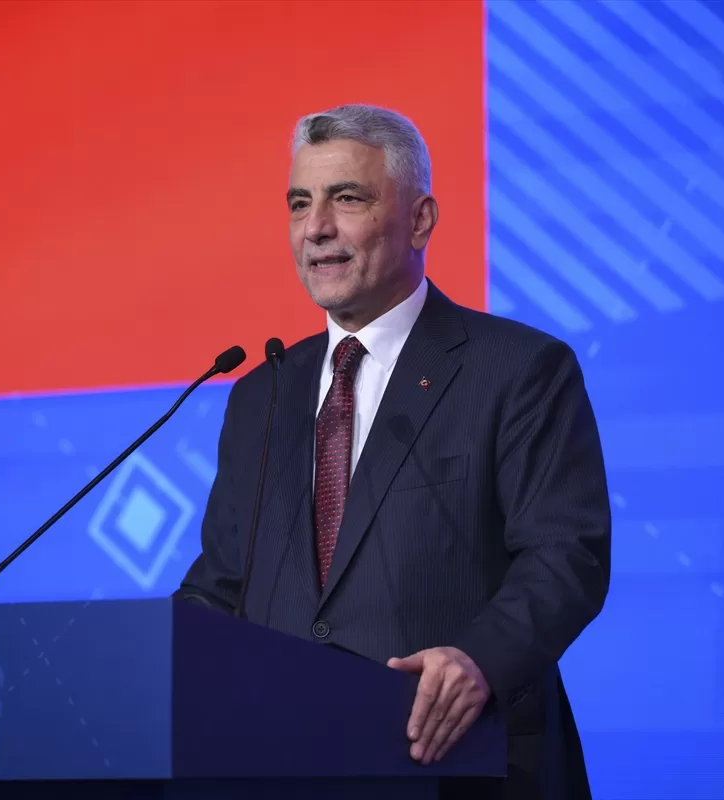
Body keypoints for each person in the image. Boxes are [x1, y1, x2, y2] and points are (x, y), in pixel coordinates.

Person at [175, 104, 611, 800]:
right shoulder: (263, 393)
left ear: (420, 220)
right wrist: (150, 662)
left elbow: (566, 556)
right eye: (299, 203)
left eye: (347, 198)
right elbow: (222, 585)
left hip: (461, 767)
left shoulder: (517, 369)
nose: (316, 227)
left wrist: (480, 659)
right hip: (286, 769)